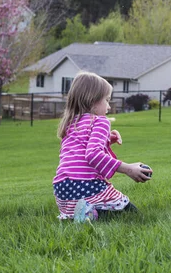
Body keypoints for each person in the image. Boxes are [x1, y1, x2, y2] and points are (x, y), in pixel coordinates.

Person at [53, 71, 152, 221]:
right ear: (93, 101)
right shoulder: (100, 121)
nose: (109, 106)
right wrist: (128, 169)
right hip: (86, 185)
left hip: (62, 189)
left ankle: (84, 214)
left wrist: (106, 141)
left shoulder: (70, 124)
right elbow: (92, 155)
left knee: (97, 210)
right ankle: (90, 213)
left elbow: (80, 151)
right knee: (132, 214)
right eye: (106, 100)